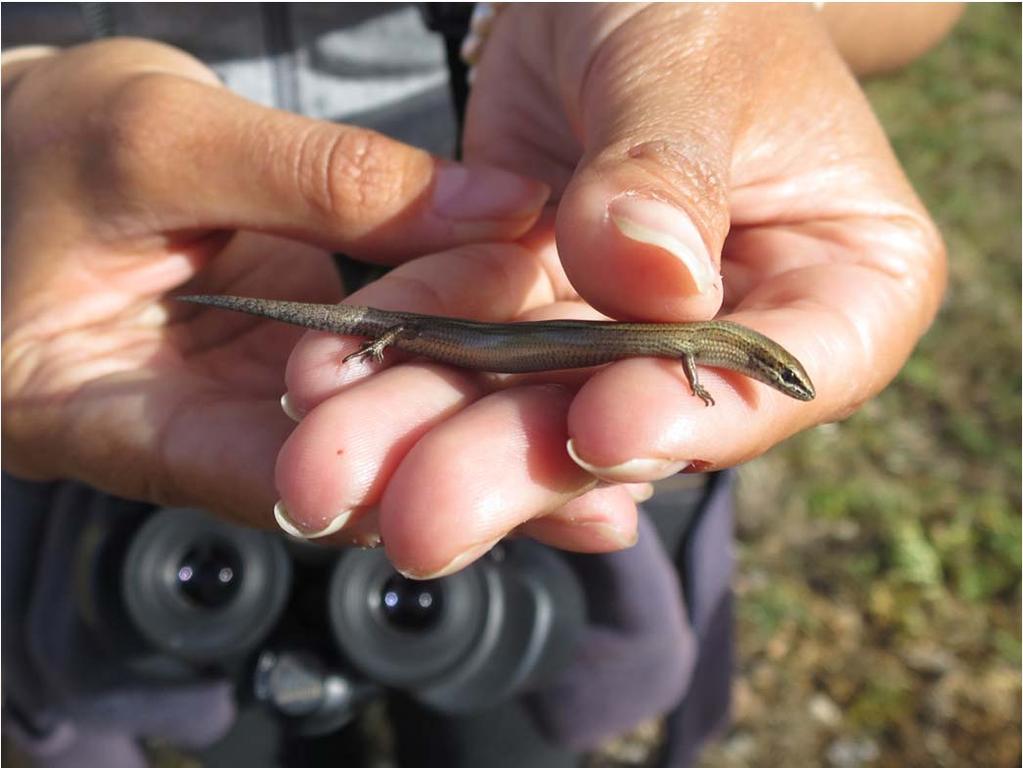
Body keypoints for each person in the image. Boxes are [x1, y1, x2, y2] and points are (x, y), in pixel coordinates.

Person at [1, 3, 960, 765]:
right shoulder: (699, 347)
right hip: (307, 283)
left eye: (778, 373)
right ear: (755, 359)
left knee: (501, 681)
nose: (779, 378)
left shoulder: (701, 343)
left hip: (485, 187)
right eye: (777, 371)